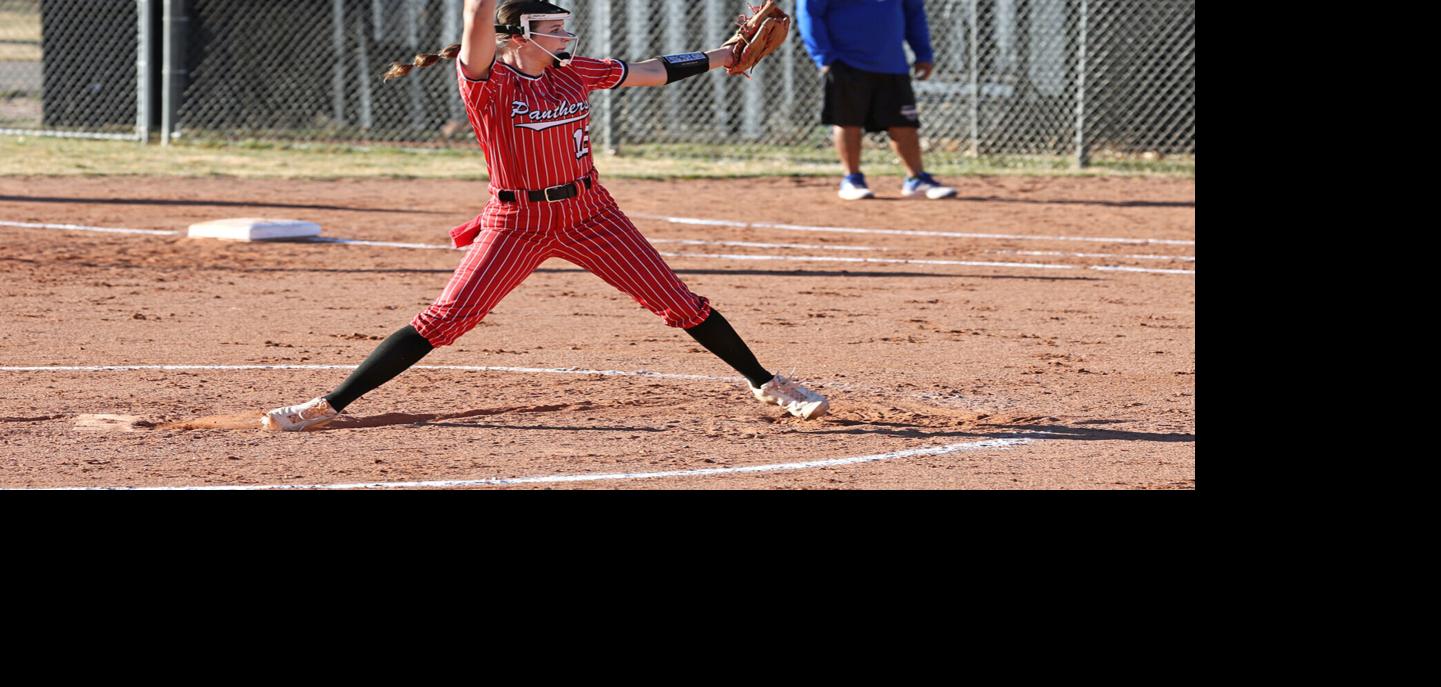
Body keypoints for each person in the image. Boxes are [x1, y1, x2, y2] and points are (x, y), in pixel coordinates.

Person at [261, 0, 829, 432]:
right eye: (552, 27)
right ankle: (328, 405)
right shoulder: (489, 82)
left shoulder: (574, 71)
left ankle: (768, 383)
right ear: (516, 36)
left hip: (591, 213)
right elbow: (477, 12)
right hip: (517, 223)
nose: (565, 33)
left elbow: (649, 70)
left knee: (680, 303)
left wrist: (719, 57)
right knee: (445, 320)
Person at [798, 0, 956, 201]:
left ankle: (917, 179)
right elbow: (809, 13)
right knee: (848, 121)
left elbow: (914, 13)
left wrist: (923, 53)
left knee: (904, 123)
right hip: (846, 62)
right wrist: (824, 56)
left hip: (892, 63)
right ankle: (852, 179)